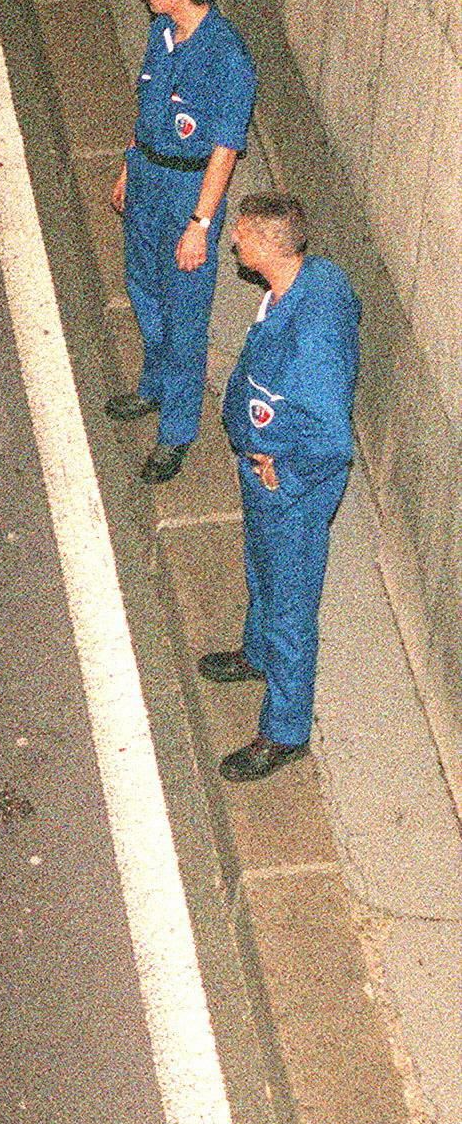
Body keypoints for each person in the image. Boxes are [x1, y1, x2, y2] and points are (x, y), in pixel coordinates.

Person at [199, 192, 360, 782]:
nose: (233, 241)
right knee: (262, 566)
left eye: (240, 234)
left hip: (289, 483)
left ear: (269, 245)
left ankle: (285, 731)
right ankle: (256, 650)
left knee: (292, 602)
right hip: (264, 469)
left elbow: (331, 438)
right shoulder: (318, 280)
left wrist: (283, 475)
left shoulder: (311, 339)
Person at [107, 0, 256, 484]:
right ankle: (153, 385)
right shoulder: (161, 32)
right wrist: (129, 165)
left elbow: (224, 150)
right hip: (147, 175)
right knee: (142, 285)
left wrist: (201, 224)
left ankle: (176, 431)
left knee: (186, 314)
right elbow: (146, 107)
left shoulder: (228, 60)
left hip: (186, 193)